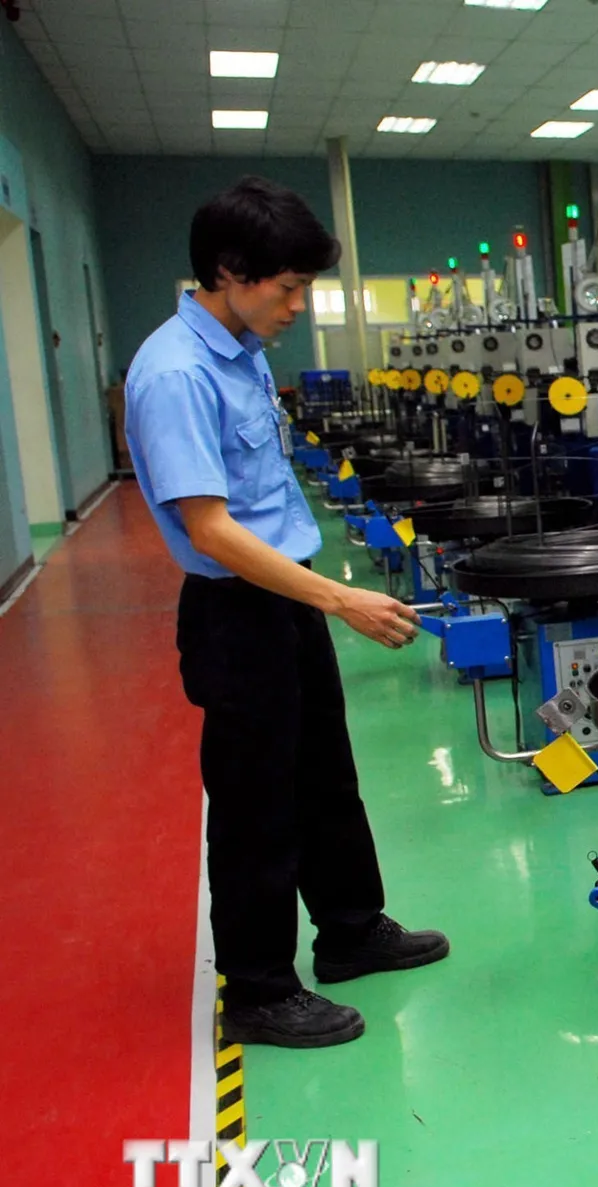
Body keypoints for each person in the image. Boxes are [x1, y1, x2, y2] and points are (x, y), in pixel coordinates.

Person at [125, 176, 448, 1048]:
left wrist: (316, 598)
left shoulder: (243, 348)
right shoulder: (176, 373)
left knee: (324, 777)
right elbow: (211, 529)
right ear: (230, 271)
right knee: (255, 802)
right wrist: (342, 597)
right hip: (237, 612)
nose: (299, 306)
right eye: (289, 287)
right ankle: (260, 988)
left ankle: (350, 930)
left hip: (286, 596)